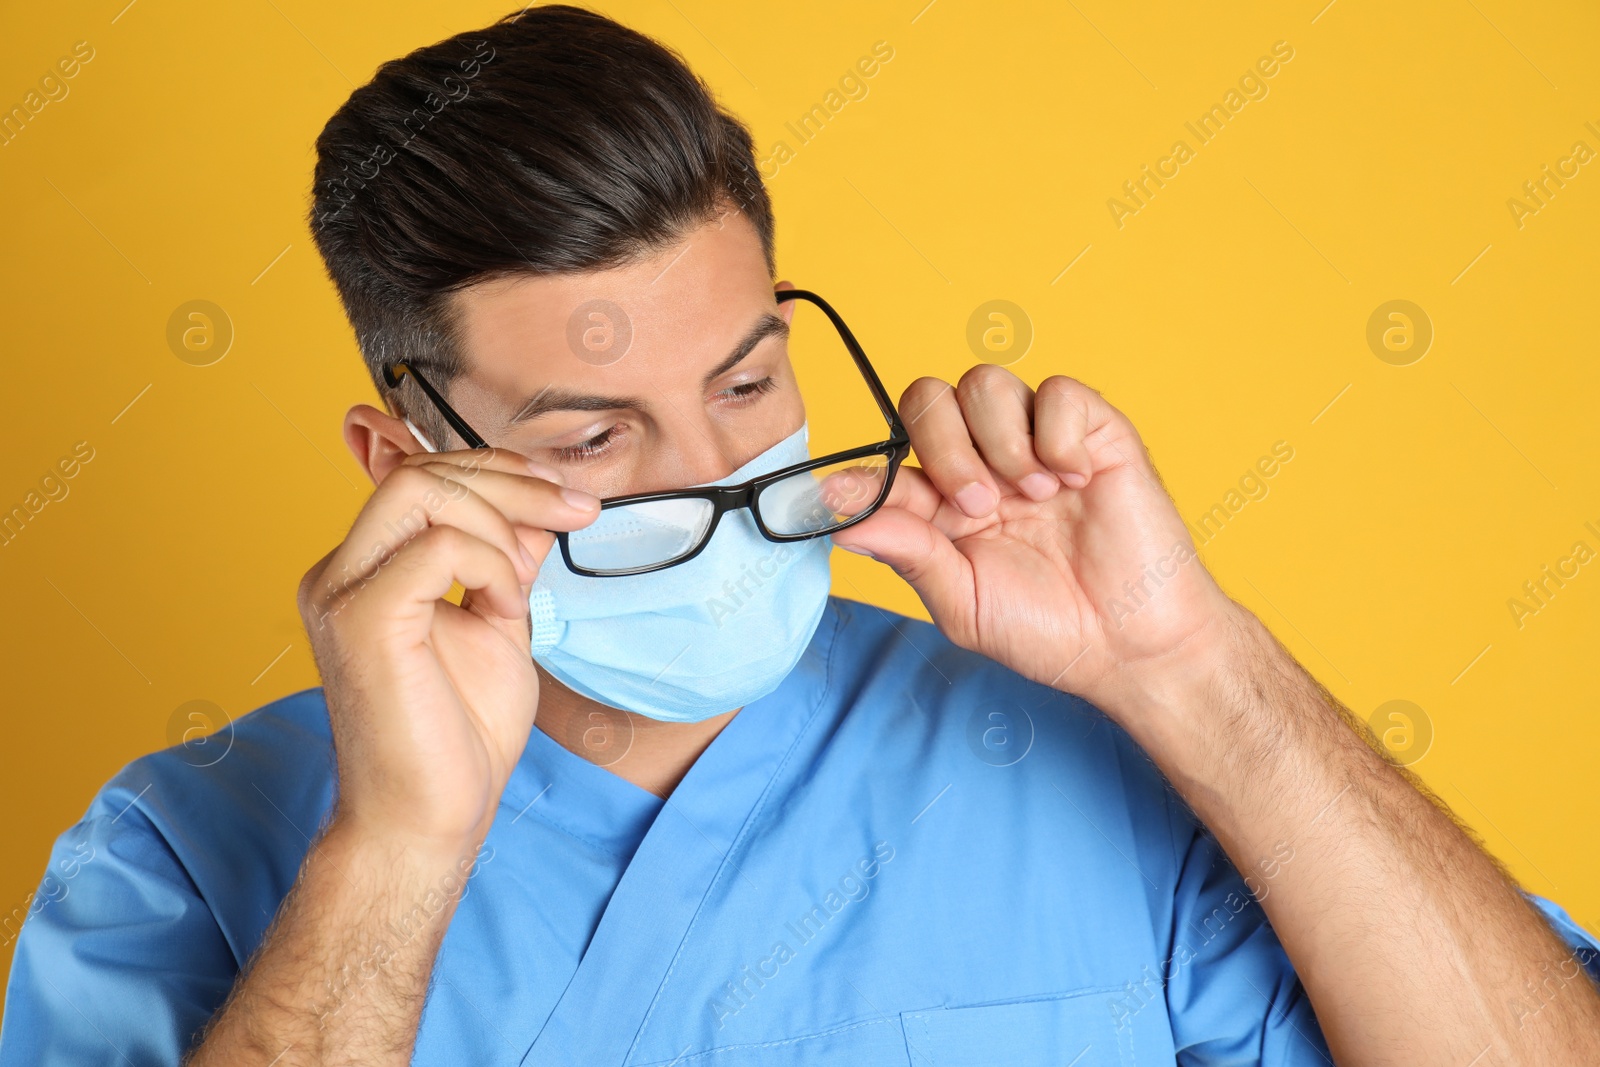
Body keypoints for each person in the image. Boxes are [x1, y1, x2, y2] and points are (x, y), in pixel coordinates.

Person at [3, 6, 1598, 1065]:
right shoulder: (182, 856)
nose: (720, 486)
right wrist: (395, 856)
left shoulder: (1099, 765)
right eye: (593, 436)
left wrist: (1197, 671)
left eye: (749, 379)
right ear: (408, 460)